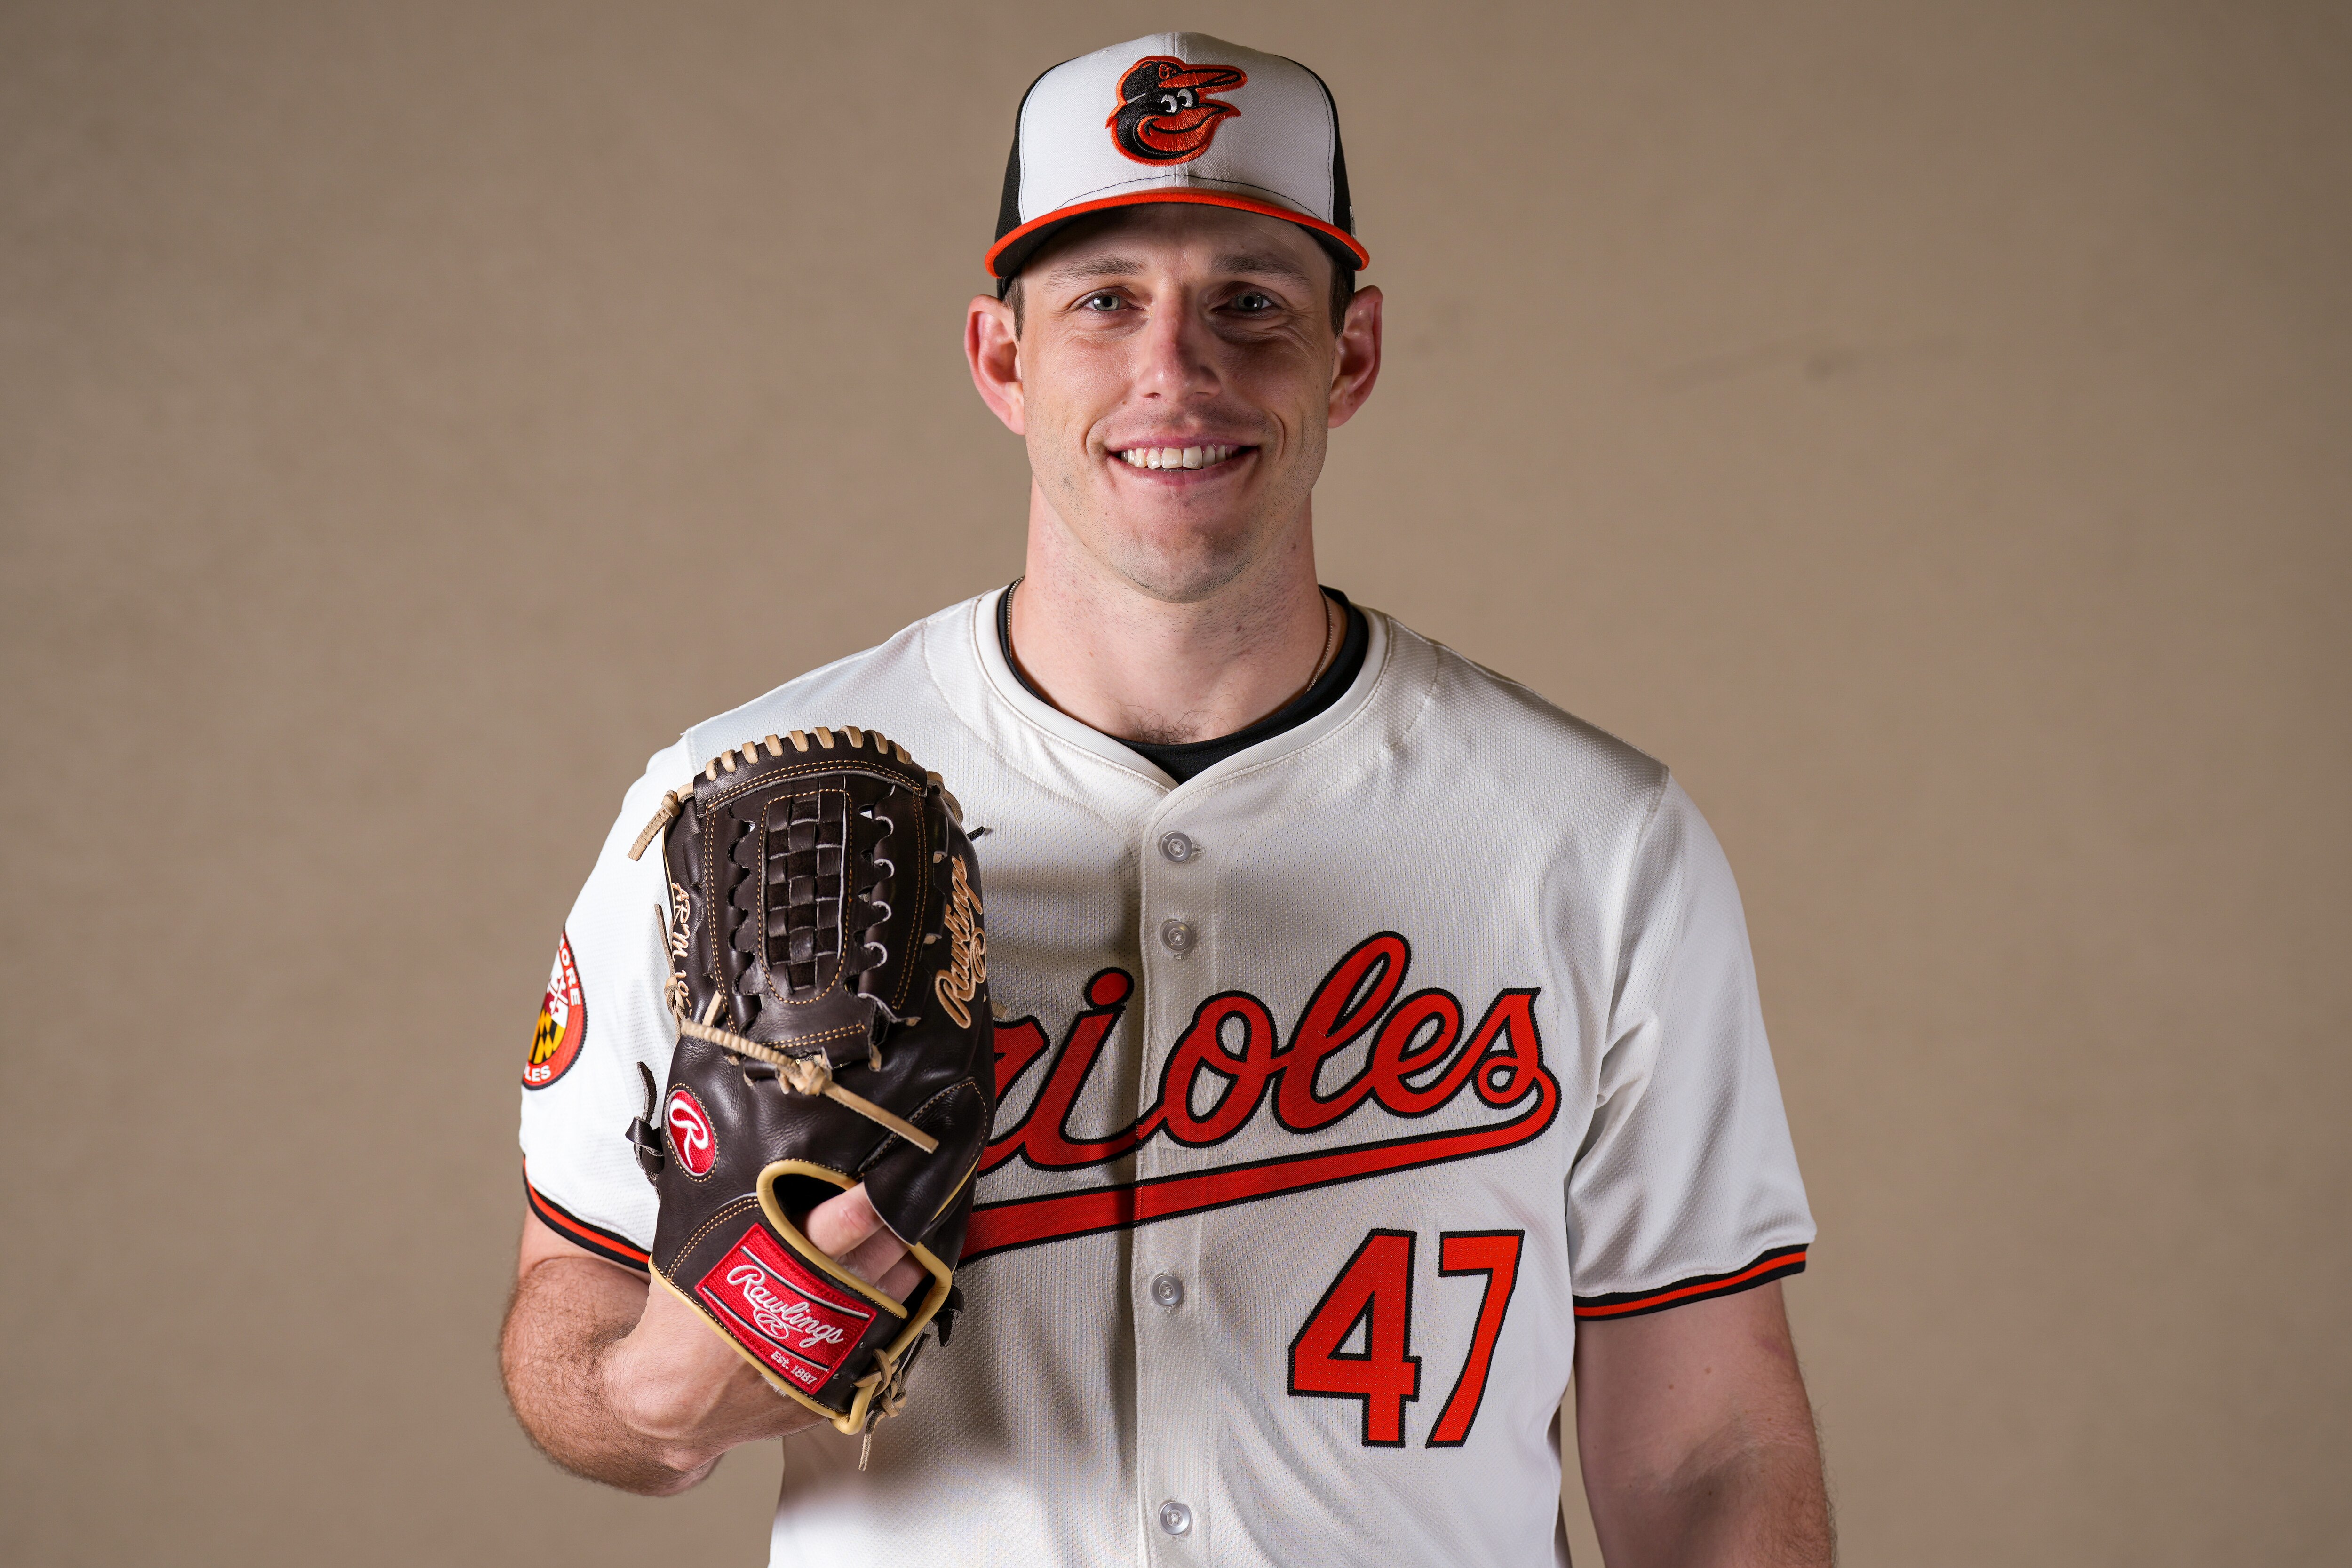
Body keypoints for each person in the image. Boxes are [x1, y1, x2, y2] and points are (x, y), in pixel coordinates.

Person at [501, 31, 1829, 1568]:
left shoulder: (1597, 841)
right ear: (1003, 360)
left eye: (1251, 305)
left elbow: (1711, 1444)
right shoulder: (735, 817)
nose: (1175, 371)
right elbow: (569, 1320)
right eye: (1106, 302)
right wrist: (657, 1397)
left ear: (1353, 353)